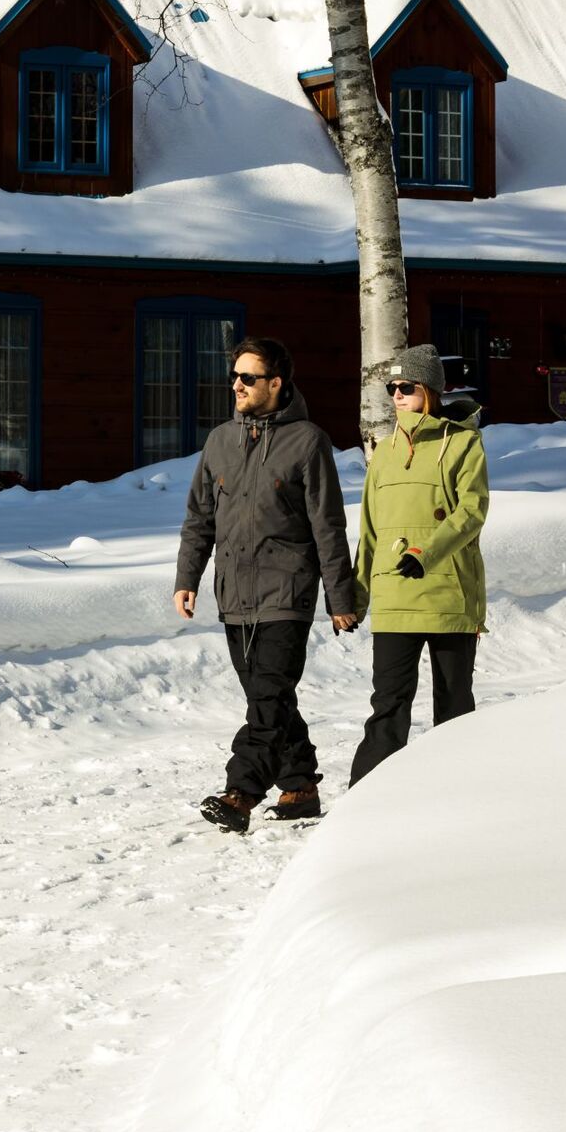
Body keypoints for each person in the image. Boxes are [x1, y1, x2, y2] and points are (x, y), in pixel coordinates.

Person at [174, 336, 358, 833]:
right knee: (268, 698)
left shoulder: (308, 441)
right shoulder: (219, 442)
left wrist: (341, 597)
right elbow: (199, 519)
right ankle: (300, 785)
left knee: (269, 696)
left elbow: (327, 525)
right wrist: (187, 577)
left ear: (276, 384)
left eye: (248, 377)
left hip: (287, 592)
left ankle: (241, 793)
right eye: (234, 375)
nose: (236, 384)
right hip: (234, 593)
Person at [349, 343, 489, 786]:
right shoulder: (383, 452)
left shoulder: (464, 443)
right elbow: (370, 530)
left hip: (449, 596)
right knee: (388, 705)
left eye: (405, 386)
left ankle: (454, 795)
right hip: (394, 598)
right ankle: (365, 800)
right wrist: (353, 595)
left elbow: (472, 512)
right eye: (392, 387)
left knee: (453, 707)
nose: (396, 395)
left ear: (429, 389)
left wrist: (424, 553)